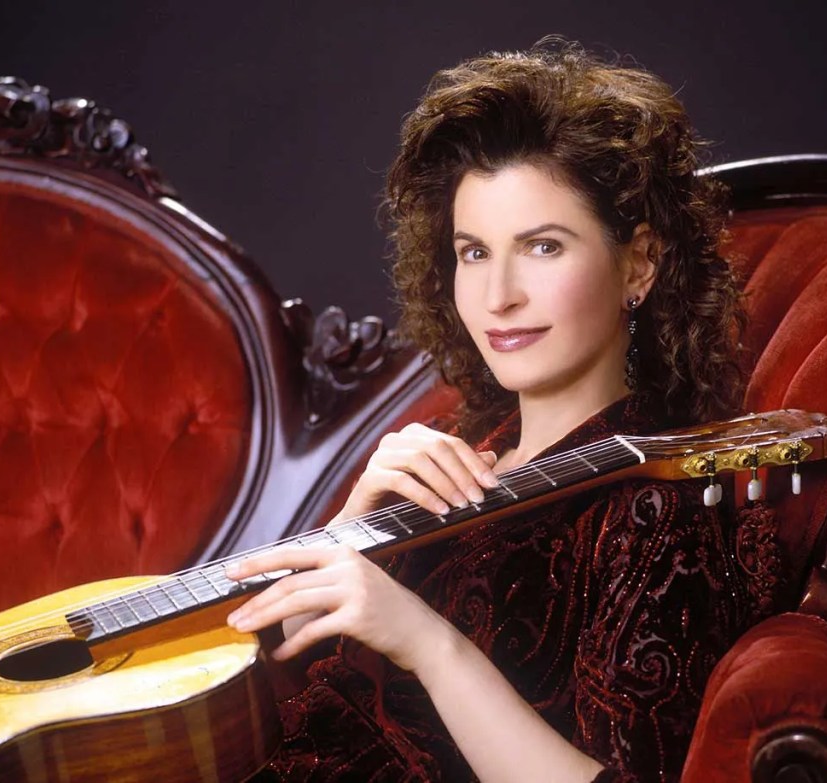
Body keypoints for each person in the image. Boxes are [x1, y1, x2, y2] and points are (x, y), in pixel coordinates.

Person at [227, 40, 749, 783]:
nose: (497, 295)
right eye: (473, 252)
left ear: (639, 263)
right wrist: (352, 524)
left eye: (541, 246)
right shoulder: (460, 450)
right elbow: (282, 655)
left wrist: (422, 638)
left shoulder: (657, 507)